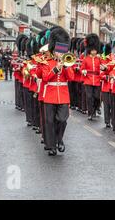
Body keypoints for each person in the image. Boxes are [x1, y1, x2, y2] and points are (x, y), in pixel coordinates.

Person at [42, 27, 74, 156]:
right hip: (50, 95)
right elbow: (45, 78)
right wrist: (56, 68)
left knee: (62, 119)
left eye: (61, 51)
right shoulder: (47, 62)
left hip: (63, 95)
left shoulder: (67, 62)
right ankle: (52, 146)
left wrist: (65, 66)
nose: (59, 53)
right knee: (49, 121)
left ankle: (59, 139)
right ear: (53, 49)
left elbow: (71, 77)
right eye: (57, 50)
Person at [81, 34, 102, 121]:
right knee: (89, 97)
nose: (94, 52)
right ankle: (90, 113)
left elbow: (102, 68)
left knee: (97, 97)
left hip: (97, 80)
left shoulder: (99, 59)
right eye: (92, 50)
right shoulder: (86, 59)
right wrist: (83, 71)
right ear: (90, 50)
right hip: (88, 80)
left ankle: (95, 109)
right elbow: (82, 68)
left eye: (95, 50)